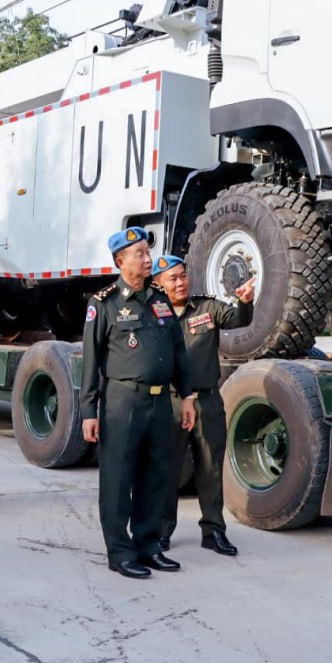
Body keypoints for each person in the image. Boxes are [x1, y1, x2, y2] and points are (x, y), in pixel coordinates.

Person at [80, 227, 194, 579]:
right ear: (120, 261)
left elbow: (178, 349)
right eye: (139, 254)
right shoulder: (104, 303)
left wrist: (187, 395)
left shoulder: (159, 299)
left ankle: (148, 545)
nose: (148, 260)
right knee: (118, 479)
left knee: (155, 476)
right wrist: (88, 411)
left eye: (147, 252)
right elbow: (90, 361)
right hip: (122, 402)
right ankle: (120, 552)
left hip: (160, 402)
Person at [152, 254, 255, 556]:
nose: (180, 283)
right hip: (170, 403)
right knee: (168, 471)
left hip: (206, 402)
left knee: (210, 470)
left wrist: (245, 301)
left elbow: (239, 320)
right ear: (158, 284)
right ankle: (161, 532)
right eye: (172, 278)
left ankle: (213, 531)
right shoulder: (153, 314)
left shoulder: (206, 308)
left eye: (183, 276)